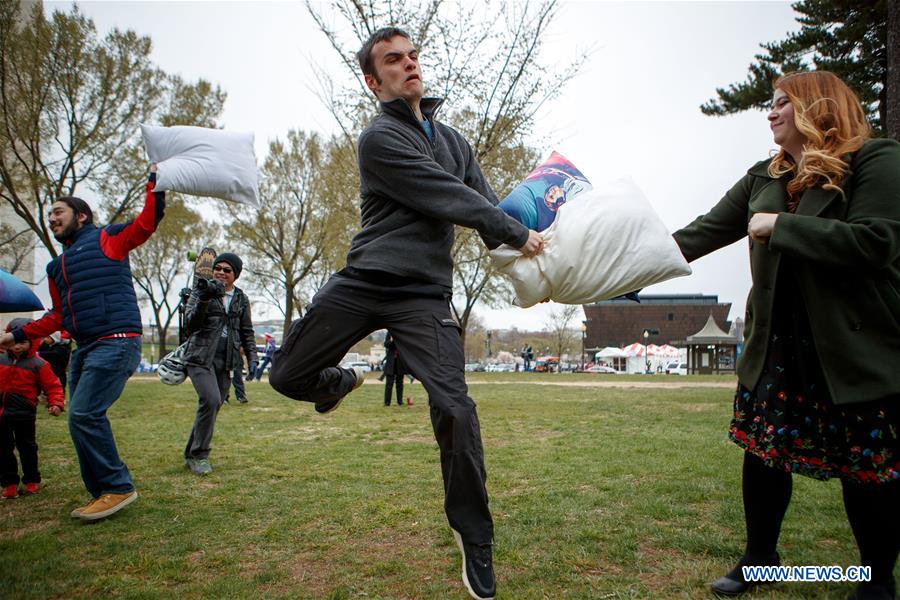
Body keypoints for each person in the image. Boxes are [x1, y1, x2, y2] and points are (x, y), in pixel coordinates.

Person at [268, 27, 543, 600]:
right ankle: (340, 382)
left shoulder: (456, 142)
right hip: (365, 280)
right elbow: (452, 199)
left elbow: (486, 206)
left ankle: (475, 536)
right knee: (285, 375)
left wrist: (545, 249)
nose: (409, 65)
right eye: (394, 60)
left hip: (423, 295)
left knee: (455, 408)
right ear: (374, 81)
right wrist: (513, 230)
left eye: (413, 55)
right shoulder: (378, 140)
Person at [672, 71, 900, 599]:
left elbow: (877, 242)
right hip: (776, 345)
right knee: (764, 455)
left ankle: (876, 578)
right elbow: (692, 238)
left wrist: (781, 225)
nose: (770, 113)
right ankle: (760, 560)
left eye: (782, 103)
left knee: (865, 468)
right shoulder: (762, 177)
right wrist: (587, 270)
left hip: (852, 345)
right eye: (769, 105)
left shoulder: (876, 159)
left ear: (816, 106)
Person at [0, 168, 164, 521]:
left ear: (82, 215)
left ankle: (117, 486)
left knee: (85, 414)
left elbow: (146, 223)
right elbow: (56, 317)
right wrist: (14, 336)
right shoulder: (56, 266)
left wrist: (155, 183)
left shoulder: (108, 238)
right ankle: (101, 492)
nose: (52, 218)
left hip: (117, 342)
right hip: (85, 348)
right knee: (79, 420)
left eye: (59, 212)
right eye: (50, 215)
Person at [182, 252, 257, 476]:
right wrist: (204, 298)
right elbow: (190, 325)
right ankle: (200, 455)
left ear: (235, 275)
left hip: (226, 361)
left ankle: (190, 453)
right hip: (200, 357)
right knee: (211, 399)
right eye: (218, 268)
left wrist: (252, 358)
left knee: (212, 406)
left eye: (227, 270)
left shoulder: (241, 298)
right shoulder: (201, 290)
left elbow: (247, 331)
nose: (221, 272)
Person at [0, 318, 65, 499]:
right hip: (1, 414)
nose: (17, 347)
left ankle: (31, 481)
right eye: (14, 342)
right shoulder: (0, 358)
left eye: (23, 342)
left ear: (32, 342)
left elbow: (53, 386)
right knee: (3, 450)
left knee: (27, 447)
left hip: (24, 413)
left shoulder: (39, 364)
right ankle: (9, 484)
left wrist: (56, 403)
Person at [382, 331, 407, 406]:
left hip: (400, 362)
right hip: (391, 362)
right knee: (389, 384)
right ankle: (387, 403)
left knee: (400, 383)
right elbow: (386, 344)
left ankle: (400, 402)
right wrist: (391, 341)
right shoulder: (389, 332)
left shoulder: (402, 333)